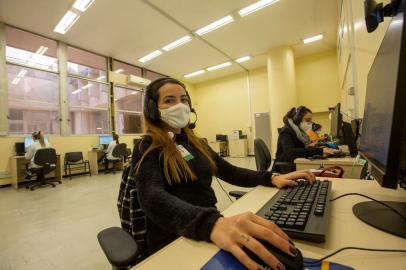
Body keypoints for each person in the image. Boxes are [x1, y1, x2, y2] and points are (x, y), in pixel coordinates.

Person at [131, 77, 316, 270]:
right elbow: (150, 195)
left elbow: (231, 172)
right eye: (169, 100)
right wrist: (210, 224)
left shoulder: (196, 143)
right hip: (175, 236)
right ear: (153, 110)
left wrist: (270, 177)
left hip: (211, 226)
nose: (179, 105)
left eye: (184, 100)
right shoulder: (147, 146)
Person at [274, 107, 339, 173]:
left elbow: (300, 148)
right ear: (297, 120)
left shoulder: (299, 132)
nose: (311, 123)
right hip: (285, 168)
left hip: (295, 163)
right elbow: (290, 151)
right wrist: (319, 151)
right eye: (307, 120)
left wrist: (317, 149)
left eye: (311, 120)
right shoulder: (286, 131)